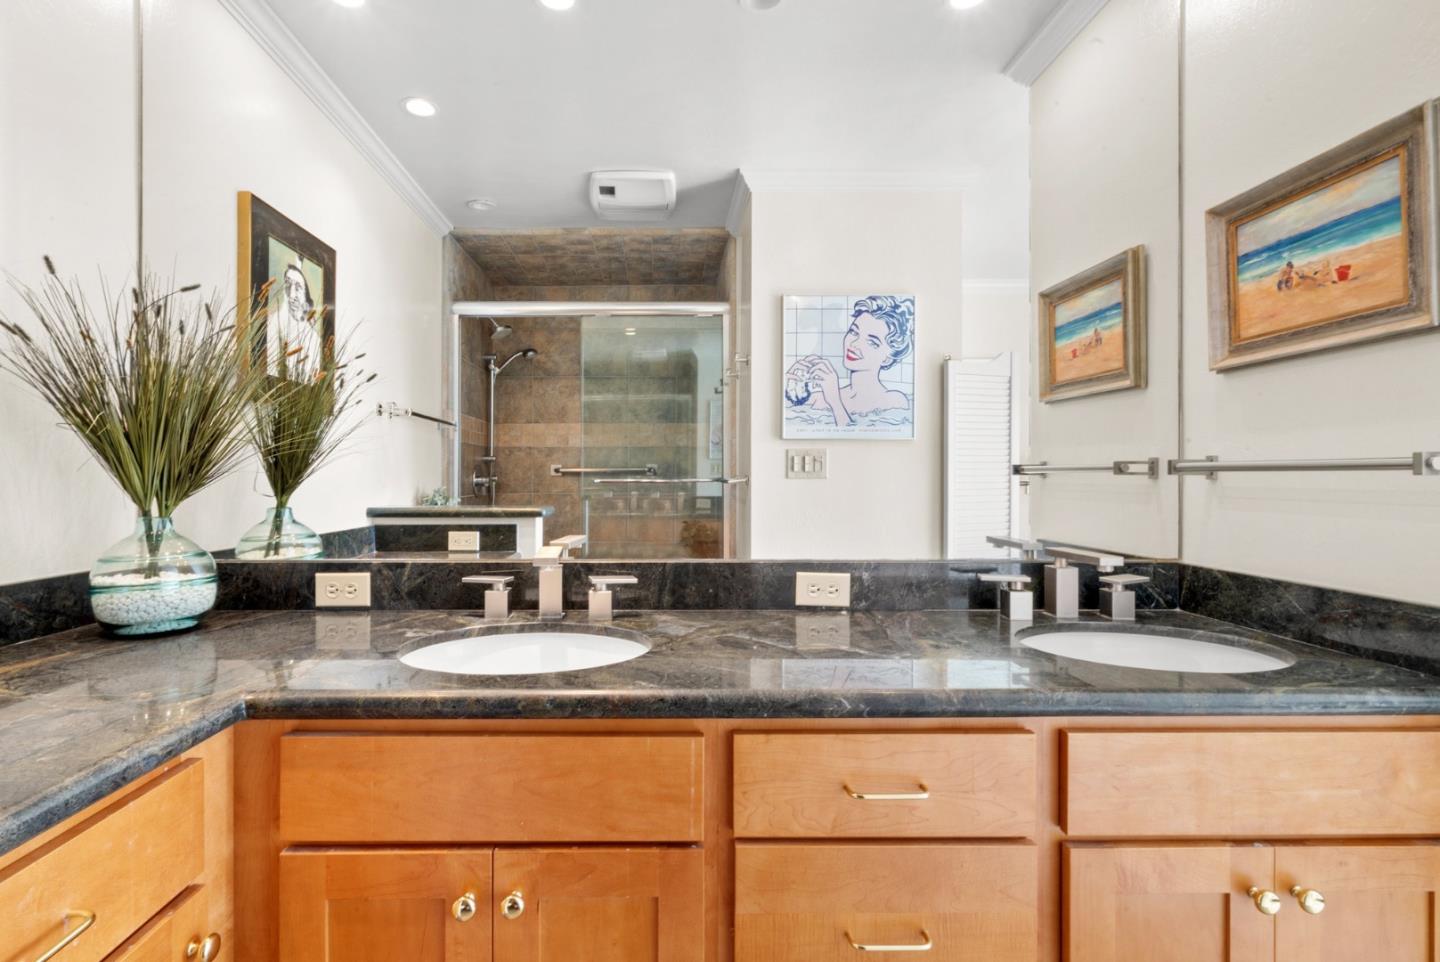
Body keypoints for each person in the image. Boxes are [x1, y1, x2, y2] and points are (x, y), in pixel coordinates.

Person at [784, 295, 914, 427]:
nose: (854, 344)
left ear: (887, 358)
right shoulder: (819, 398)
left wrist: (835, 402)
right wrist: (795, 389)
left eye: (872, 342)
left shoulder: (894, 401)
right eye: (854, 332)